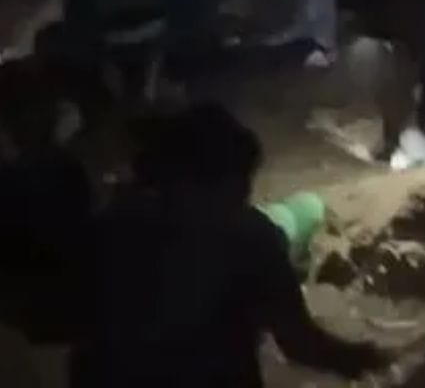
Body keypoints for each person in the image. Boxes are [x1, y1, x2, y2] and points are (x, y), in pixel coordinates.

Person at [71, 103, 385, 388]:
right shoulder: (250, 238)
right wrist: (366, 358)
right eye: (241, 179)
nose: (245, 191)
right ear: (222, 179)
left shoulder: (115, 222)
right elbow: (301, 344)